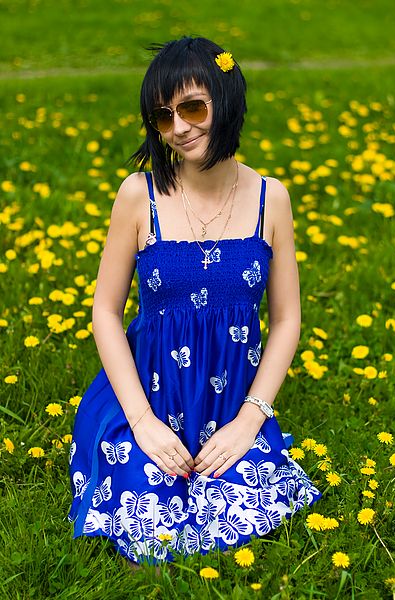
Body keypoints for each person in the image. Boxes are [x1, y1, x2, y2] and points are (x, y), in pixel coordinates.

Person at [67, 35, 321, 568]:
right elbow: (105, 313)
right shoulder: (139, 194)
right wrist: (141, 422)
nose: (179, 127)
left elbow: (288, 318)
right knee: (145, 526)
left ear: (225, 100)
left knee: (255, 505)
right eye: (164, 116)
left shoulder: (270, 197)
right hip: (147, 397)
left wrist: (250, 419)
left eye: (192, 107)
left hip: (231, 404)